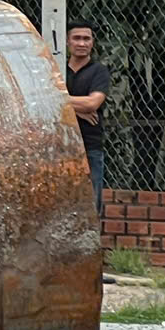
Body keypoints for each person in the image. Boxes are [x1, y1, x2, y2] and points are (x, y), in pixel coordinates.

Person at [64, 21, 109, 205]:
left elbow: (92, 103)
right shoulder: (57, 69)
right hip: (59, 145)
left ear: (92, 42)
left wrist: (59, 102)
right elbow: (39, 100)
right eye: (76, 38)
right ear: (67, 41)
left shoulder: (99, 71)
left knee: (91, 203)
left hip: (89, 146)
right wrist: (78, 110)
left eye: (86, 39)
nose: (81, 43)